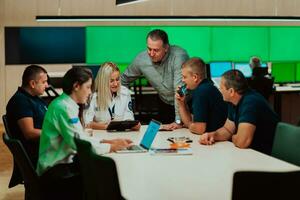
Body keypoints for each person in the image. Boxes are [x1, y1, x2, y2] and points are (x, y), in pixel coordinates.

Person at [37, 67, 132, 199]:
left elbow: (79, 137)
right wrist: (112, 147)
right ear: (76, 86)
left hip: (61, 166)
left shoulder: (65, 104)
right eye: (87, 87)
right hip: (56, 173)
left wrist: (107, 141)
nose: (89, 92)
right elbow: (80, 145)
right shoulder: (63, 108)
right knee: (103, 179)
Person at [200, 70, 279, 155]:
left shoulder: (250, 103)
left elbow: (242, 142)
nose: (220, 90)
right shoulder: (233, 101)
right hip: (253, 153)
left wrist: (233, 137)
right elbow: (227, 130)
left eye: (221, 88)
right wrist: (212, 135)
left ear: (231, 91)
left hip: (269, 156)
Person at [121, 29, 189, 129]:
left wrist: (178, 121)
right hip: (165, 104)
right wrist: (122, 109)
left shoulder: (179, 56)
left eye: (156, 50)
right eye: (149, 49)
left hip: (187, 104)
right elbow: (123, 80)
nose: (151, 54)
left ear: (166, 48)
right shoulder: (141, 59)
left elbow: (179, 91)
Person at [6, 64, 48, 167]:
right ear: (33, 83)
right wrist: (57, 132)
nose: (47, 86)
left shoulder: (36, 98)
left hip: (45, 149)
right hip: (38, 157)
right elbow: (30, 133)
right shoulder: (20, 101)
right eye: (44, 82)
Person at [176, 58, 227, 135]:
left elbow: (199, 129)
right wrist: (181, 103)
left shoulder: (201, 92)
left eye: (184, 77)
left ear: (195, 77)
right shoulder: (207, 86)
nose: (183, 80)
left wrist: (189, 125)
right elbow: (193, 121)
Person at [84, 62, 141, 130]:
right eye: (111, 81)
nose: (116, 84)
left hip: (120, 134)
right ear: (103, 81)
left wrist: (133, 125)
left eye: (117, 79)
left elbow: (129, 117)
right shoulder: (93, 96)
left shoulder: (125, 93)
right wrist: (106, 127)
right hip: (100, 135)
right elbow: (87, 123)